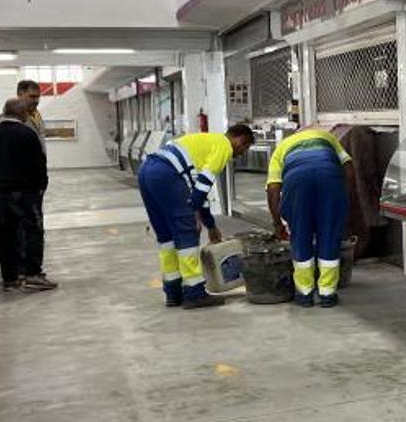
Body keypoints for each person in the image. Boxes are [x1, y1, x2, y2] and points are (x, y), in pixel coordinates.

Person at [138, 124, 255, 309]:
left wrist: (210, 225)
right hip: (168, 174)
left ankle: (173, 292)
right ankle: (194, 293)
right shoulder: (223, 145)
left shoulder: (206, 141)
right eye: (244, 148)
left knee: (166, 237)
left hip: (146, 171)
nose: (240, 154)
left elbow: (198, 189)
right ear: (240, 140)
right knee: (187, 234)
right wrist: (195, 215)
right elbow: (203, 185)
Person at [266, 127, 354, 308]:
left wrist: (277, 223)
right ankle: (327, 293)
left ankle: (305, 293)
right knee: (329, 236)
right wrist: (344, 197)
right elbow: (349, 167)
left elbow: (273, 189)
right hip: (330, 178)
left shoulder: (281, 147)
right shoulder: (326, 136)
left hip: (296, 183)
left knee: (300, 236)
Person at [0, 98, 56, 293]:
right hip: (24, 193)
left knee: (6, 236)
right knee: (33, 231)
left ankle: (10, 278)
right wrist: (41, 186)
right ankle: (32, 274)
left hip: (0, 194)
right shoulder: (26, 134)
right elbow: (38, 165)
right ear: (22, 113)